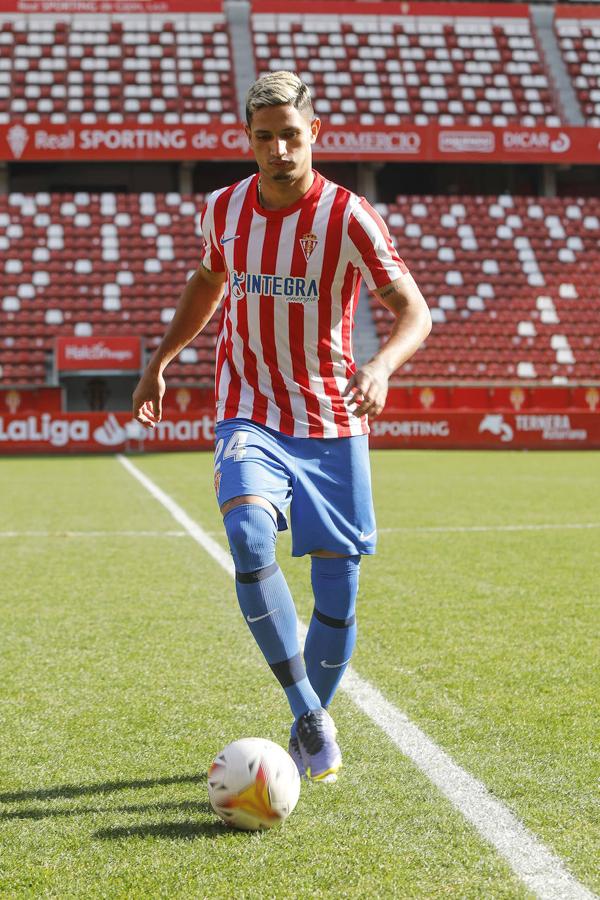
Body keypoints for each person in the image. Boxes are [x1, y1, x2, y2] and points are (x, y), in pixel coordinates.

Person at [132, 71, 431, 783]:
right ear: (249, 140)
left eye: (290, 135)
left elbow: (413, 312)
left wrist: (383, 365)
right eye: (263, 137)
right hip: (249, 410)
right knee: (246, 531)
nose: (277, 149)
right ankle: (308, 712)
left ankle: (307, 732)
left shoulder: (349, 217)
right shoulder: (224, 210)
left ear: (313, 134)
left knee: (337, 592)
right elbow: (207, 282)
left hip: (331, 418)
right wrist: (160, 361)